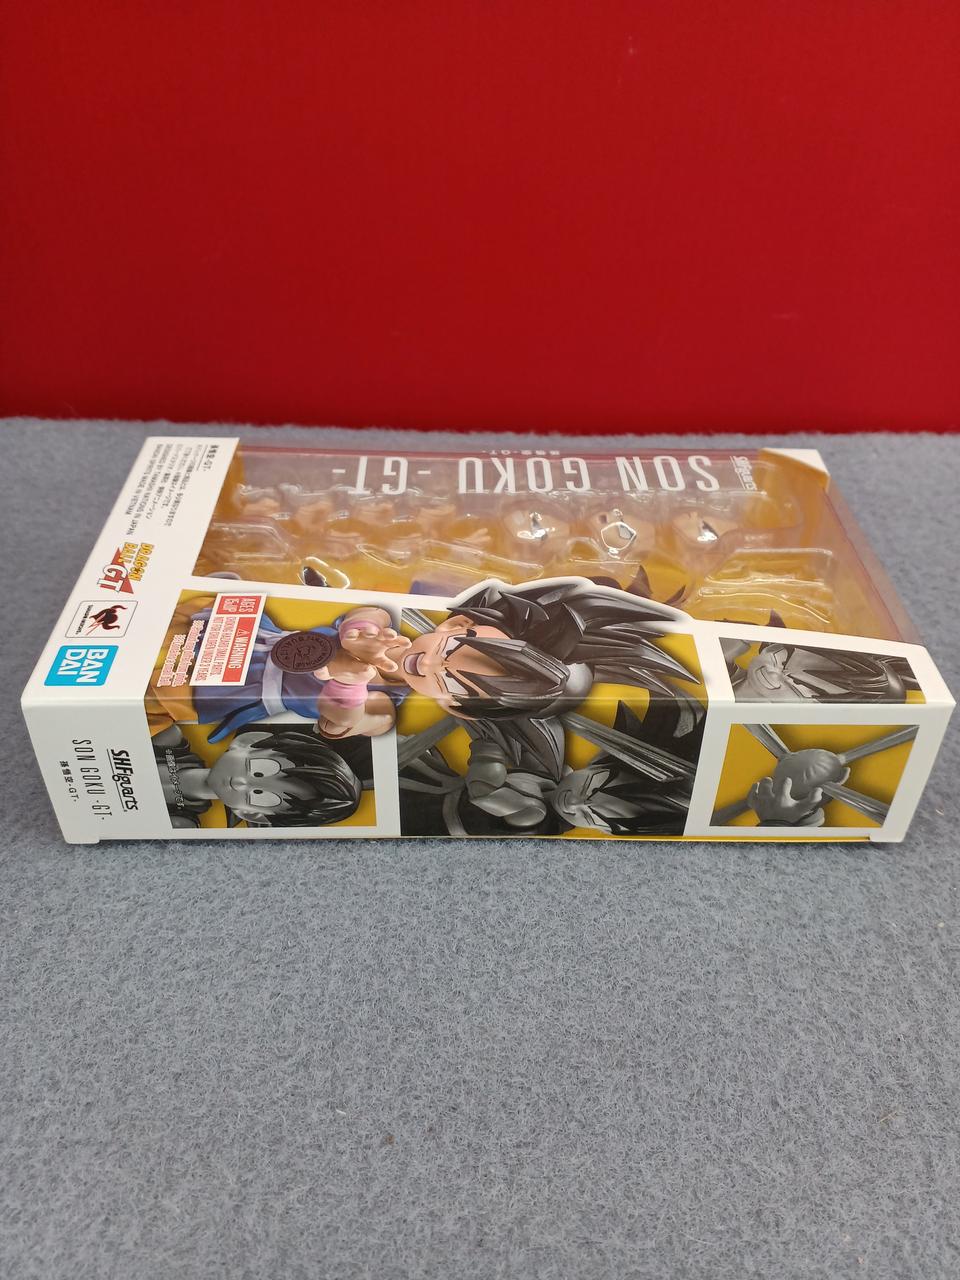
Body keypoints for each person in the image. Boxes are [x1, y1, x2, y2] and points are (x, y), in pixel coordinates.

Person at [152, 723, 368, 828]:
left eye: (261, 796)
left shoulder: (182, 823)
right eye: (259, 769)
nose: (240, 782)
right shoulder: (168, 740)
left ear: (252, 814)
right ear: (248, 742)